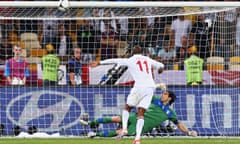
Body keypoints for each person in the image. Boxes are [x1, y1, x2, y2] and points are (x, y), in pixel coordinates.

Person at [90, 45, 164, 144]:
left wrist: (99, 62)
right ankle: (137, 139)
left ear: (132, 53)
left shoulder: (130, 60)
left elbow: (114, 60)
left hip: (139, 87)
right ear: (141, 52)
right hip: (151, 87)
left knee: (127, 107)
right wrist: (160, 70)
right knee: (141, 113)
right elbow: (161, 65)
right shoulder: (147, 59)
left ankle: (124, 128)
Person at [80, 90, 197, 139]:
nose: (162, 95)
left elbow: (179, 124)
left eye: (165, 94)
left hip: (141, 126)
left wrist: (189, 132)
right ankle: (90, 123)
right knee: (115, 118)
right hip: (136, 116)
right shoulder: (155, 99)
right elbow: (146, 93)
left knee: (119, 133)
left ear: (169, 98)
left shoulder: (170, 113)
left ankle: (94, 134)